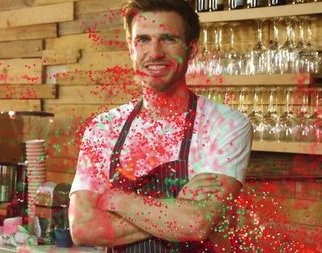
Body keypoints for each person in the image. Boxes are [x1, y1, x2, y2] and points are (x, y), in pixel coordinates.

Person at [68, 0, 252, 252]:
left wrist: (116, 199)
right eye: (142, 40)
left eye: (168, 39)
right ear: (130, 49)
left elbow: (196, 224)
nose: (154, 53)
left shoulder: (225, 124)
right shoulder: (103, 128)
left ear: (192, 48)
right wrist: (176, 205)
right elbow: (82, 228)